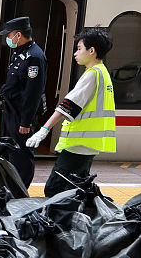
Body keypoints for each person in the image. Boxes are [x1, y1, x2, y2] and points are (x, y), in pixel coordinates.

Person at [27, 28, 116, 197]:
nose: (76, 53)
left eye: (79, 48)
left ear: (92, 51)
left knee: (54, 189)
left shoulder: (92, 75)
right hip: (88, 146)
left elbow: (67, 105)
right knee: (75, 191)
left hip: (78, 146)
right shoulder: (103, 73)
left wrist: (43, 130)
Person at [0, 16, 48, 187]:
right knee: (9, 150)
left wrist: (26, 121)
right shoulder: (20, 54)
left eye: (9, 35)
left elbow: (33, 93)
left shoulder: (35, 57)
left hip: (21, 115)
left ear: (18, 35)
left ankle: (20, 189)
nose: (7, 38)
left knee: (21, 155)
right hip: (11, 112)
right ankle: (8, 186)